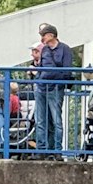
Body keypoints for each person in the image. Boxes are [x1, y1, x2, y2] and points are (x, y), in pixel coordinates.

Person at [28, 23, 75, 156]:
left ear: (51, 35)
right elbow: (42, 67)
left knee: (56, 120)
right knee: (41, 120)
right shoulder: (45, 50)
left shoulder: (64, 49)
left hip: (55, 87)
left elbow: (67, 70)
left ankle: (56, 150)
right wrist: (38, 79)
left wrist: (55, 80)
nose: (42, 38)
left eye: (44, 35)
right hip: (42, 86)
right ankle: (41, 149)